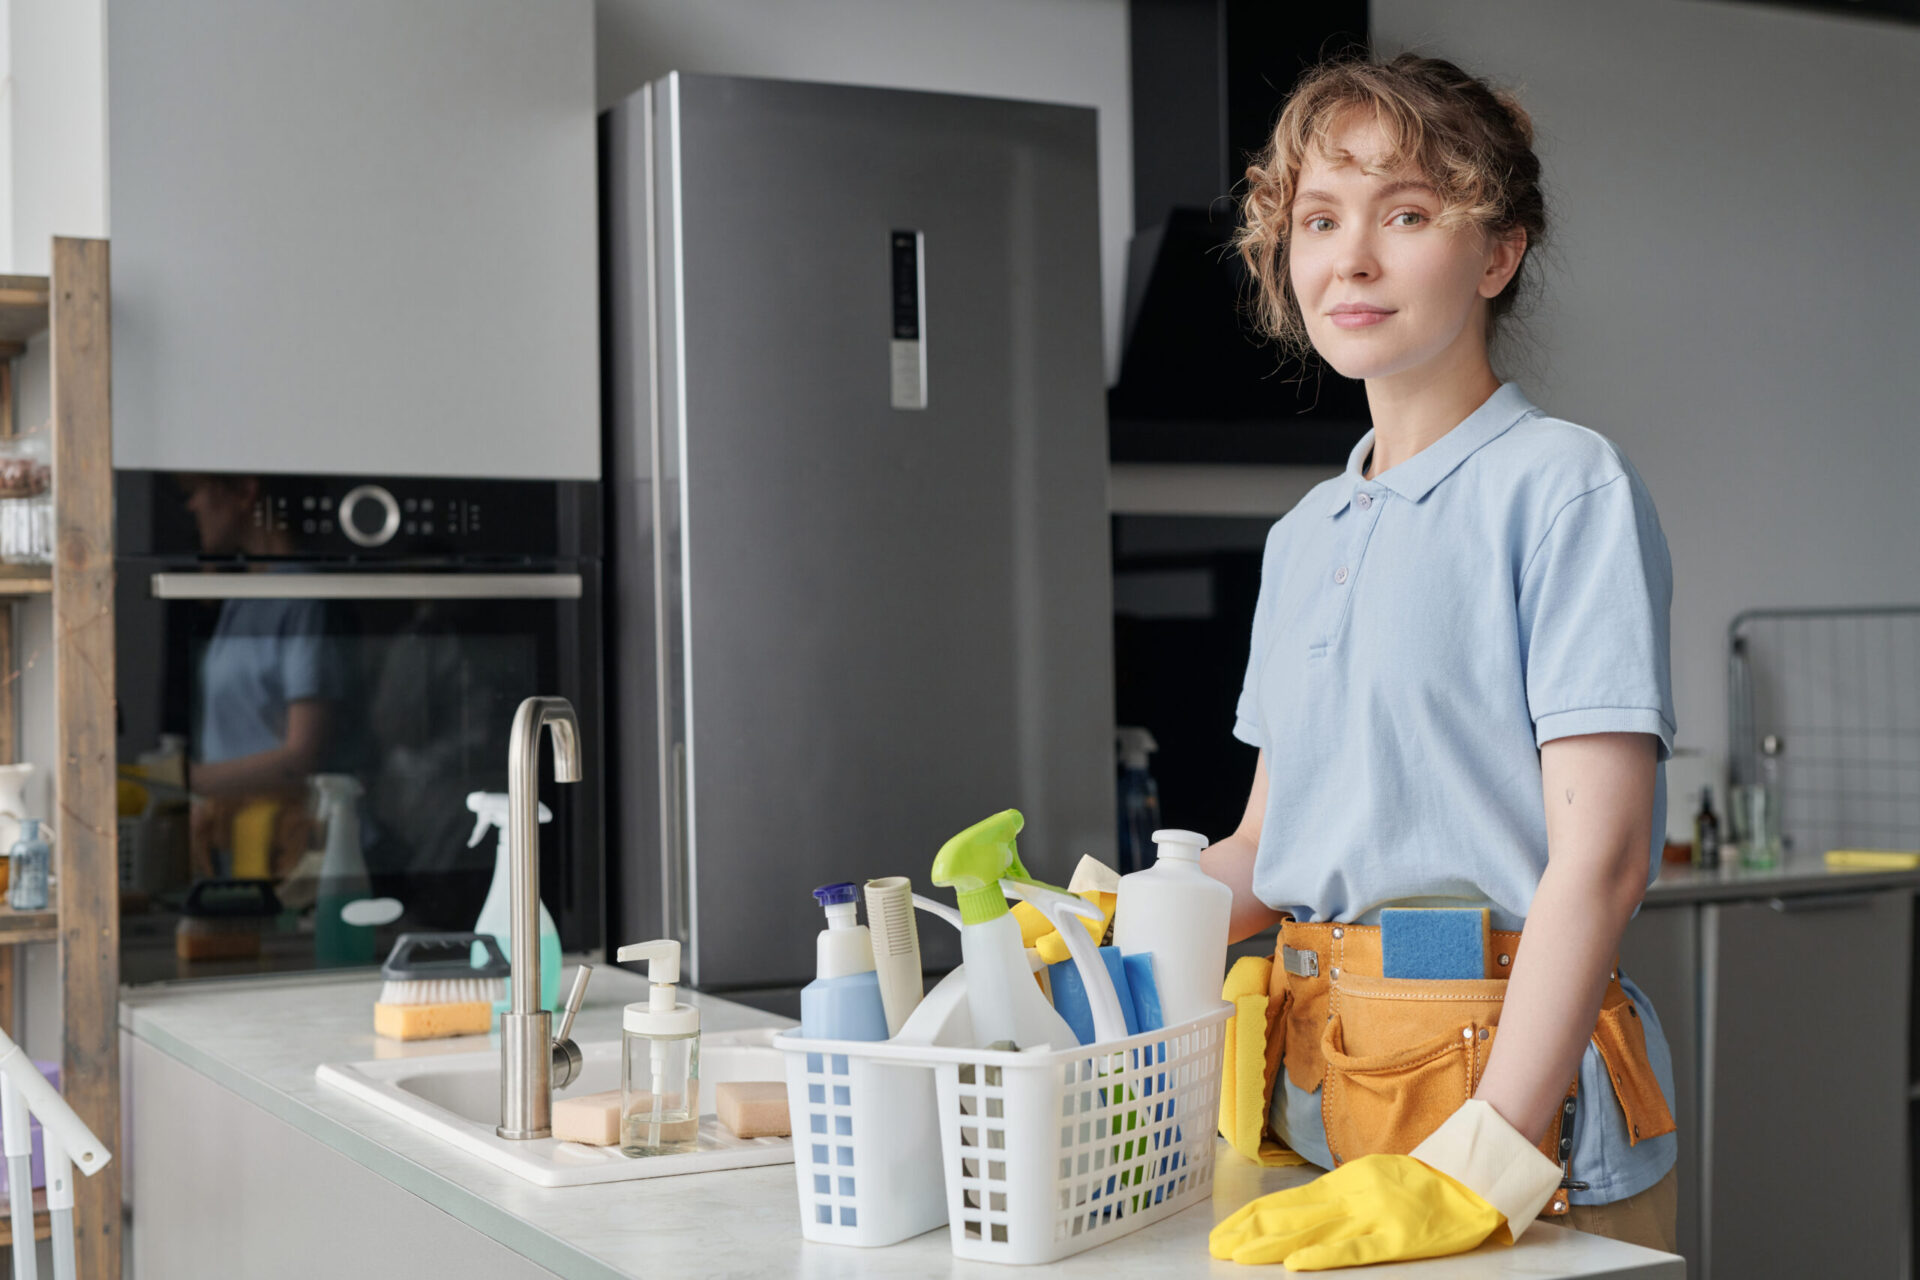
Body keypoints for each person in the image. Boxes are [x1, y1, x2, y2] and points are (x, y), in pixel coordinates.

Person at [1201, 53, 1680, 1269]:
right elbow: (1270, 844)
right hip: (1317, 1100)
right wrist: (1117, 915)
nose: (1349, 258)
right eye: (1319, 219)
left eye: (1405, 214)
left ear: (1496, 254)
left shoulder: (1565, 486)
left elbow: (1605, 856)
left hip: (1518, 1120)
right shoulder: (1303, 536)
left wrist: (1489, 1154)